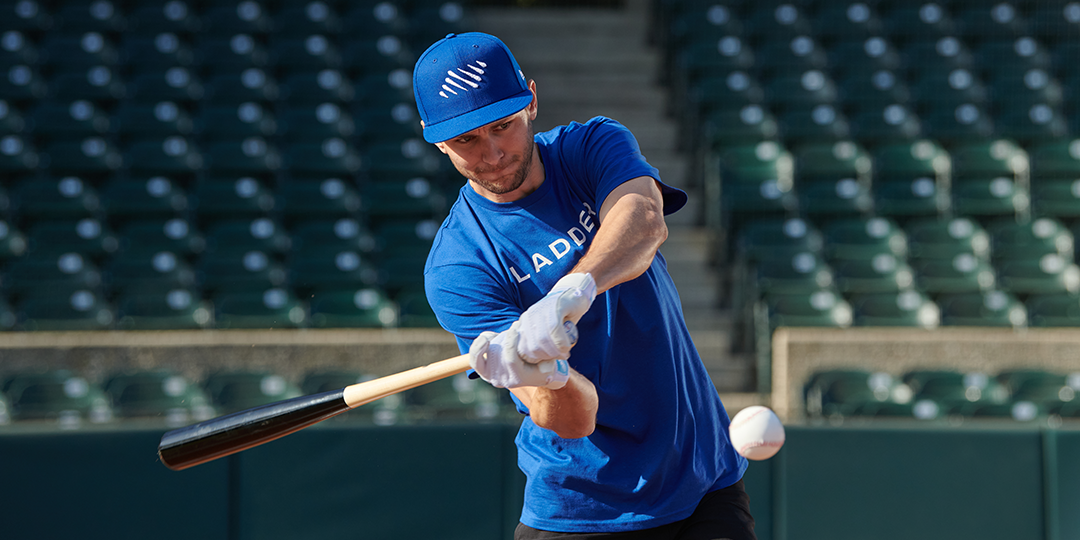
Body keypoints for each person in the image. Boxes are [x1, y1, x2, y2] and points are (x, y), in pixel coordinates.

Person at [413, 32, 755, 539]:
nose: (491, 154)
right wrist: (544, 376)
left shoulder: (590, 145)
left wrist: (570, 292)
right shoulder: (457, 267)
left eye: (502, 126)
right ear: (435, 137)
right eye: (466, 139)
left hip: (701, 480)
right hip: (579, 509)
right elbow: (572, 422)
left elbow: (643, 221)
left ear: (531, 100)